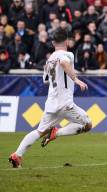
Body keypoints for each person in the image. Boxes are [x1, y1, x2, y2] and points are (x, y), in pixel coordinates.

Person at [9, 28, 92, 168]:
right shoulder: (68, 54)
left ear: (53, 42)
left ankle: (17, 155)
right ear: (67, 41)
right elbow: (64, 63)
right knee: (88, 125)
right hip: (65, 103)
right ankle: (57, 132)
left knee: (39, 131)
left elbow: (46, 80)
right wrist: (76, 79)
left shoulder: (49, 60)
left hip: (51, 103)